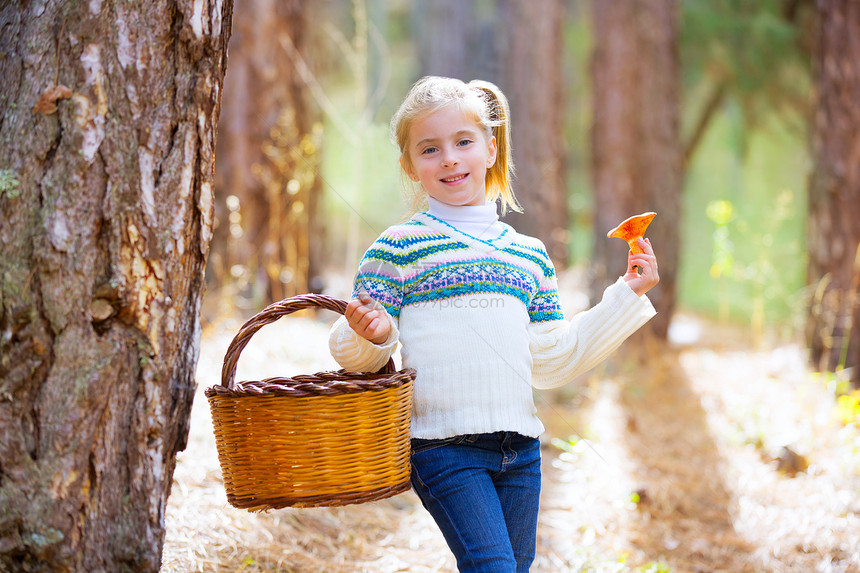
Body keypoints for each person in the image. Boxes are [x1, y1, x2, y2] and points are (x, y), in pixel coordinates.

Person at [329, 76, 659, 572]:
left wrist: (625, 295)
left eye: (463, 142)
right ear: (409, 166)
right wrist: (371, 335)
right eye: (429, 149)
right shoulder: (399, 246)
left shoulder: (527, 255)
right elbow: (351, 349)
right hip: (442, 447)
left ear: (490, 148)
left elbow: (551, 359)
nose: (449, 159)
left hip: (520, 450)